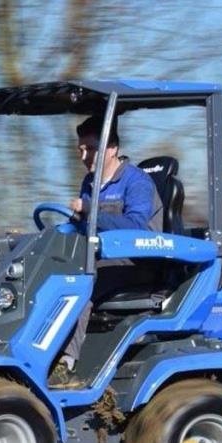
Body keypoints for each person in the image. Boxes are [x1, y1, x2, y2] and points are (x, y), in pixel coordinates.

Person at [50, 115, 160, 387]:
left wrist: (90, 211)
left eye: (90, 149)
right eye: (81, 150)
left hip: (135, 264)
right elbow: (79, 225)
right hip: (99, 259)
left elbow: (138, 227)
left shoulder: (137, 182)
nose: (84, 156)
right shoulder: (90, 182)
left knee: (79, 283)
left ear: (112, 148)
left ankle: (65, 363)